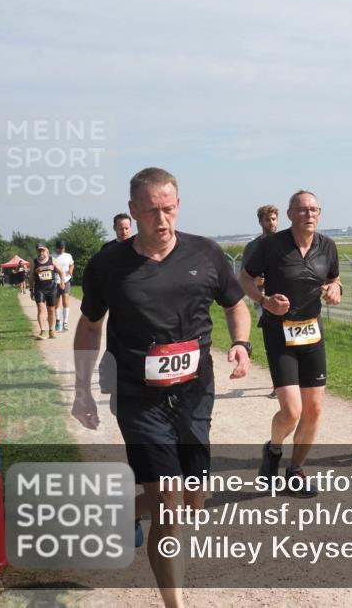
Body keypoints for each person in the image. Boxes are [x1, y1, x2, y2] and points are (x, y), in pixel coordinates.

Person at [70, 167, 252, 608]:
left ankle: (128, 511)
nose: (162, 218)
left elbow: (236, 306)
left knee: (193, 498)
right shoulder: (108, 265)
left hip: (193, 393)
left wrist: (242, 344)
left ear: (178, 205)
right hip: (137, 395)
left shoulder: (205, 254)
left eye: (168, 208)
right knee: (169, 503)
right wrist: (81, 388)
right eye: (151, 210)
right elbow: (91, 326)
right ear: (133, 211)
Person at [239, 191, 341, 495]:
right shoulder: (271, 246)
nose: (309, 214)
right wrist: (264, 300)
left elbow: (333, 278)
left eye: (314, 209)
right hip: (279, 333)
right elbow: (244, 278)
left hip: (312, 333)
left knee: (314, 410)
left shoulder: (327, 246)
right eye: (302, 209)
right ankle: (272, 449)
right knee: (292, 411)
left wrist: (335, 288)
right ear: (290, 213)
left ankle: (296, 469)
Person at [98, 213, 135, 413]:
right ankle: (112, 382)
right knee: (117, 341)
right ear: (114, 228)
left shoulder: (140, 246)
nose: (124, 231)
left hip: (138, 303)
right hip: (117, 304)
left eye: (127, 228)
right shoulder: (107, 250)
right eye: (121, 228)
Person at [242, 204, 278, 397]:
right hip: (263, 300)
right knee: (273, 341)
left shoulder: (287, 241)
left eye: (274, 219)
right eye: (267, 219)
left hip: (287, 298)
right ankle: (277, 384)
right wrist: (256, 281)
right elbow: (244, 276)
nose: (271, 223)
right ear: (260, 222)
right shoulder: (253, 247)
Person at [30, 244, 63, 339]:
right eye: (39, 250)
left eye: (42, 250)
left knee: (51, 309)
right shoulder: (34, 262)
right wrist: (31, 289)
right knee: (40, 308)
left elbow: (61, 271)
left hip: (51, 288)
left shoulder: (52, 260)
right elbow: (31, 277)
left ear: (46, 251)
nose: (41, 252)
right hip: (39, 288)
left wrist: (62, 282)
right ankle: (43, 331)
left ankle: (51, 331)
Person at [51, 240, 75, 331]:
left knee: (65, 300)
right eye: (60, 248)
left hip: (66, 280)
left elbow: (72, 264)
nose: (61, 250)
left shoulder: (68, 256)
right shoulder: (52, 256)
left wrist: (70, 271)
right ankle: (58, 321)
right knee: (57, 303)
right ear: (56, 247)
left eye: (63, 248)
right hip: (55, 281)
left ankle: (65, 323)